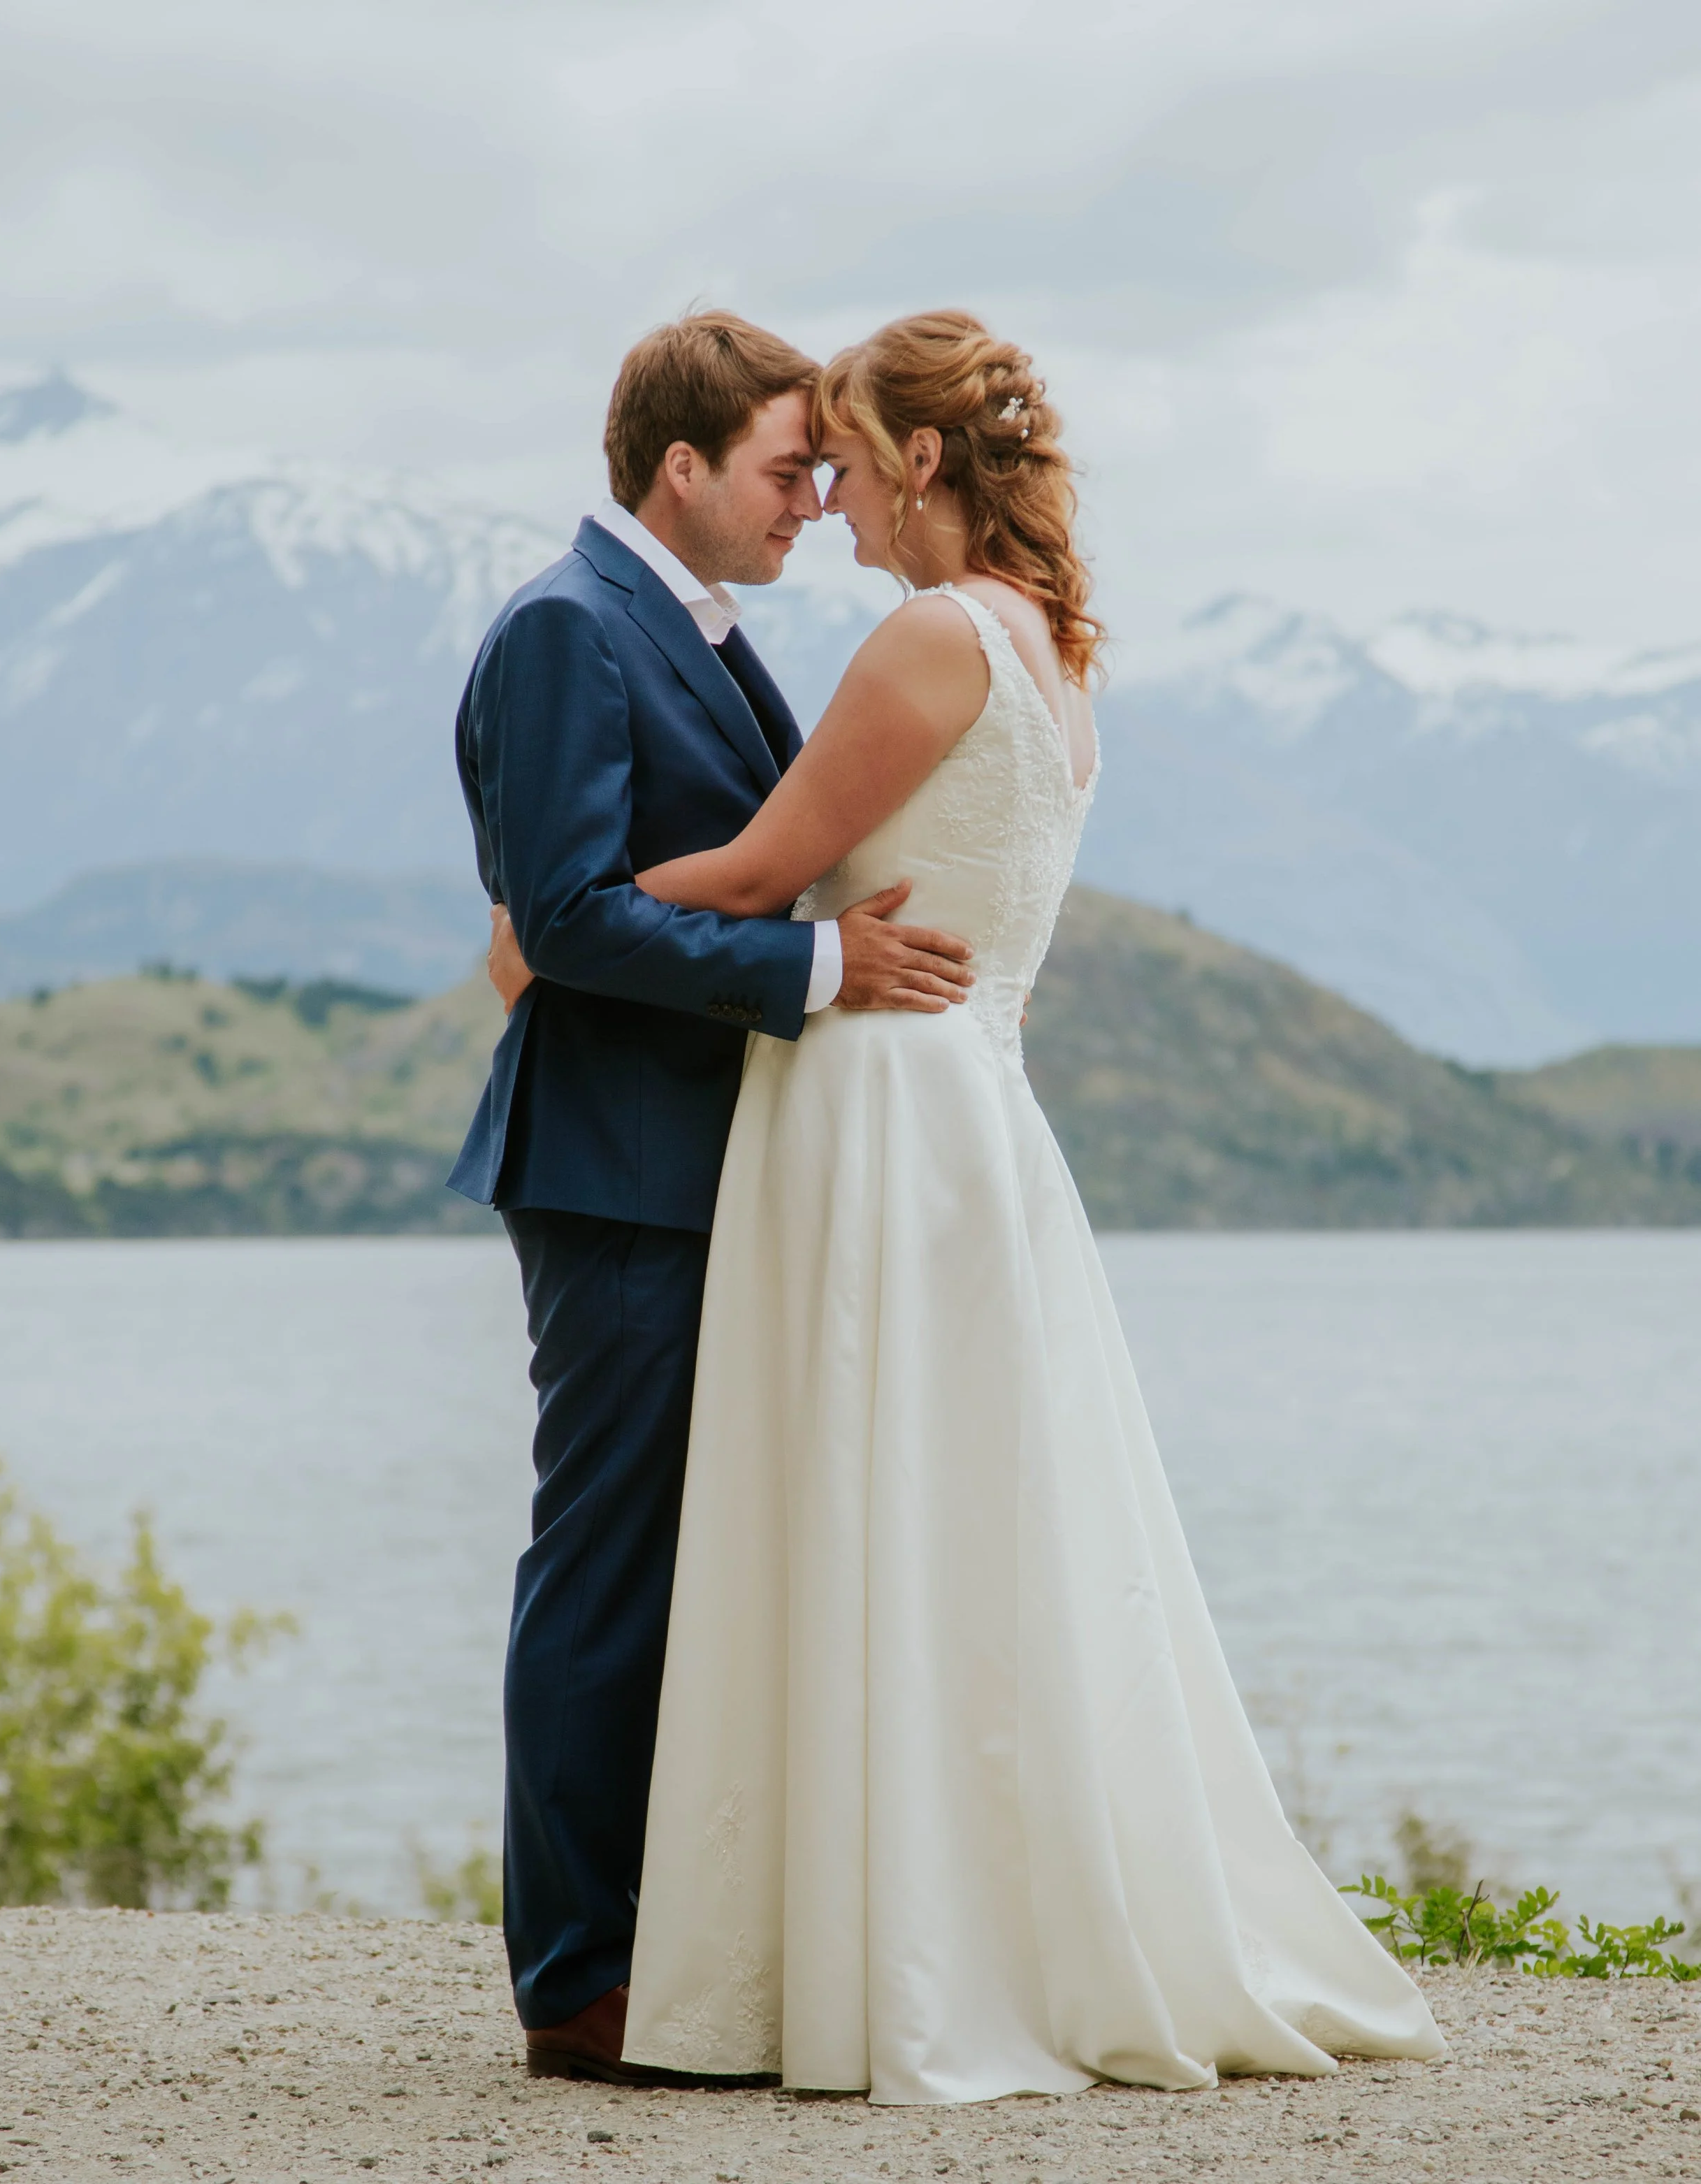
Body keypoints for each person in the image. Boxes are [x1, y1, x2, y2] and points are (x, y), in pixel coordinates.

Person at [602, 309, 1447, 2102]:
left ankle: (892, 1951)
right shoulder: (1060, 653)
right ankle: (942, 1919)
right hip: (978, 1101)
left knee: (873, 1515)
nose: (822, 501)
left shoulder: (929, 635)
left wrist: (540, 921)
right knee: (969, 1536)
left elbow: (757, 875)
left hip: (880, 1105)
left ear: (918, 459)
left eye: (841, 456)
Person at [449, 310, 976, 2082]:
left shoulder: (691, 630)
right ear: (677, 467)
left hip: (703, 1162)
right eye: (782, 467)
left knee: (695, 1567)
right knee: (604, 1566)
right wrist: (819, 967)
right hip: (611, 1162)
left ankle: (674, 1949)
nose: (815, 501)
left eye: (826, 469)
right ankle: (574, 1982)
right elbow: (564, 920)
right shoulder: (559, 630)